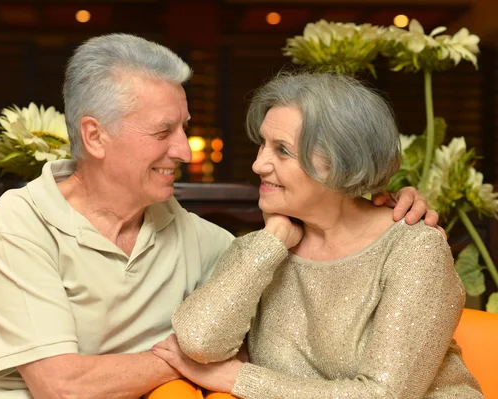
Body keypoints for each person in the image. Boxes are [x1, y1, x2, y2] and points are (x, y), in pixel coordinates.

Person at [0, 36, 436, 399]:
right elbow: (62, 387)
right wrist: (190, 363)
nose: (185, 152)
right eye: (163, 132)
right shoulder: (25, 216)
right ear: (94, 136)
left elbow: (231, 320)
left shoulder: (205, 240)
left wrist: (368, 207)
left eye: (184, 128)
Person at [155, 72, 483, 398]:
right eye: (262, 145)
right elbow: (199, 342)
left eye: (281, 150)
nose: (258, 164)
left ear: (341, 162)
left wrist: (240, 379)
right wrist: (272, 241)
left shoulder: (414, 248)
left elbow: (383, 395)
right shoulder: (264, 247)